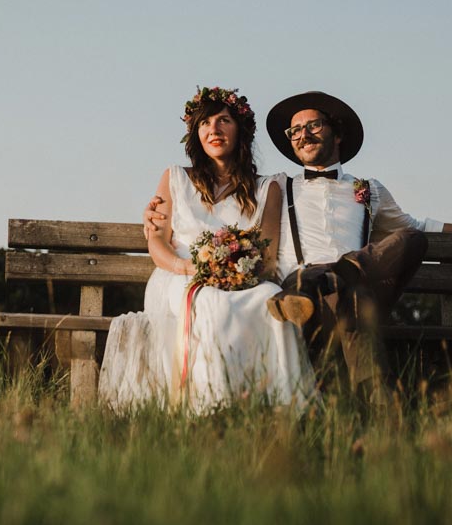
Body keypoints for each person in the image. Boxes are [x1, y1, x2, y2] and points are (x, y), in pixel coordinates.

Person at [145, 90, 452, 403]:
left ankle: (341, 275)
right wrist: (157, 219)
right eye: (294, 132)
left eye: (312, 125)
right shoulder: (279, 185)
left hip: (348, 285)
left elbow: (422, 227)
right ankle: (378, 409)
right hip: (302, 289)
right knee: (352, 308)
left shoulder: (369, 190)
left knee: (411, 240)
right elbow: (238, 220)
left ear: (337, 133)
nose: (303, 135)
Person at [99, 87, 312, 413]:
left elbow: (267, 257)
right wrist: (187, 268)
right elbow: (156, 243)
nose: (213, 129)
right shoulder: (175, 179)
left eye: (223, 120)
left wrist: (237, 275)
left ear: (240, 130)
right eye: (204, 123)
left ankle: (284, 406)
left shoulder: (268, 187)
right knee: (211, 301)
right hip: (179, 274)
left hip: (243, 279)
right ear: (195, 133)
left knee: (270, 298)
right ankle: (211, 407)